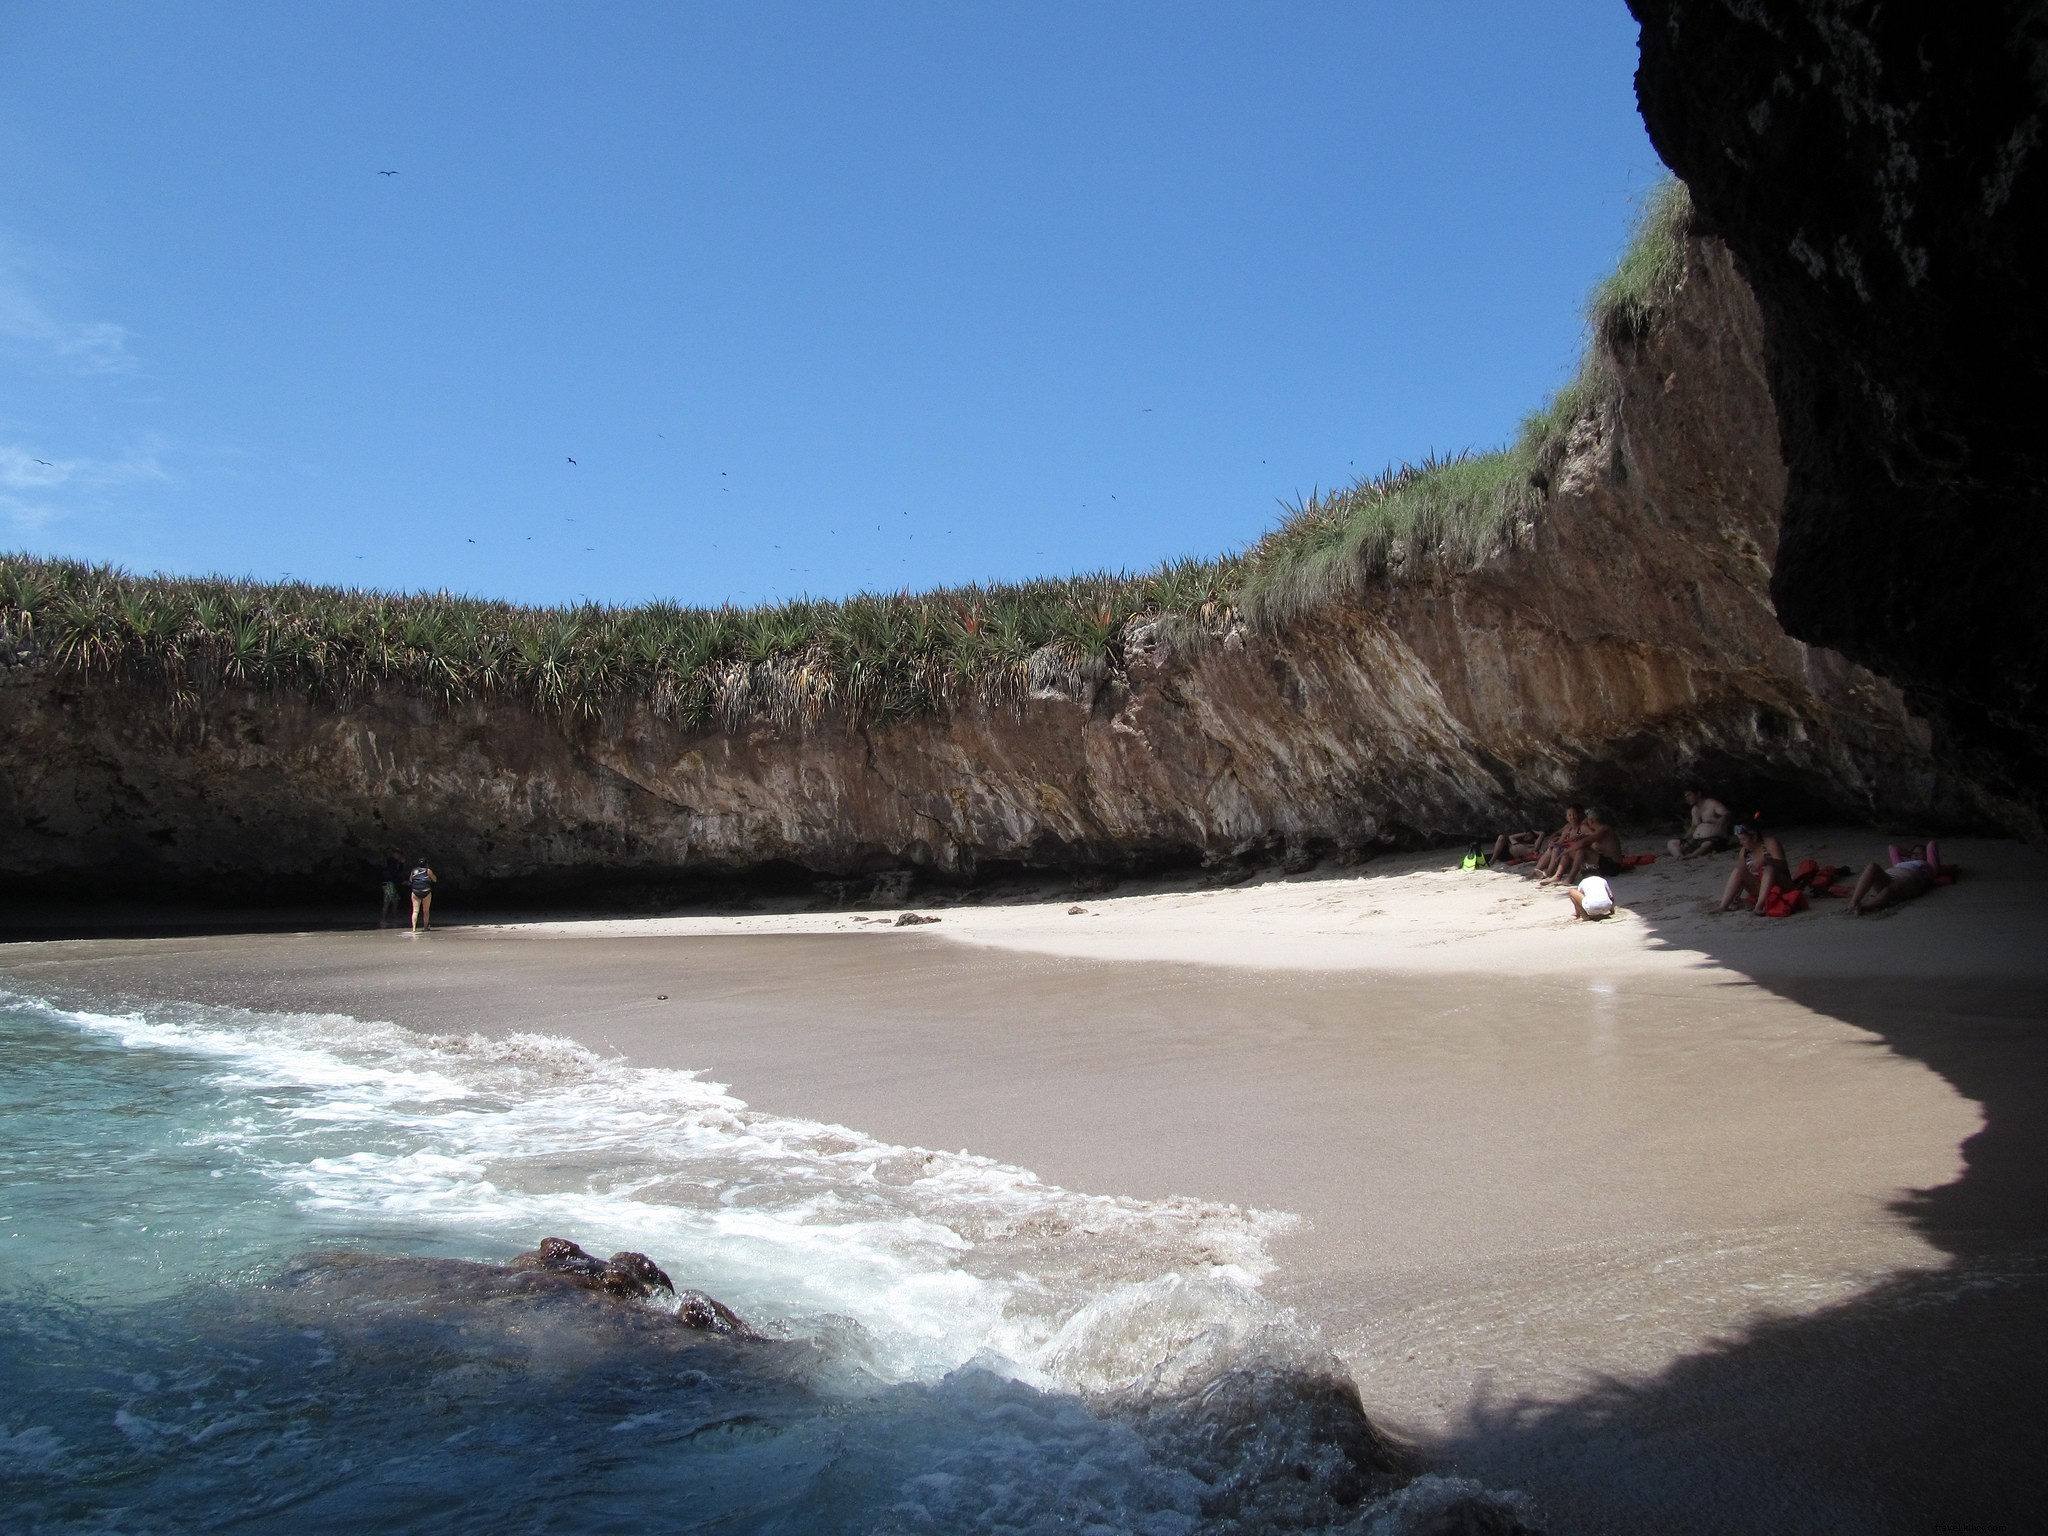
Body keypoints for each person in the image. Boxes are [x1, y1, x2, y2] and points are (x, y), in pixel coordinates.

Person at [1850, 840, 1943, 915]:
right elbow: (1893, 849)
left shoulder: (1930, 866)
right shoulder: (1900, 863)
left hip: (1910, 882)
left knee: (1888, 890)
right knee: (1872, 866)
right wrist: (1910, 854)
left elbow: (1932, 844)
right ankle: (1854, 902)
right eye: (1914, 853)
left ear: (1927, 855)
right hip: (1889, 878)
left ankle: (1863, 908)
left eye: (1920, 853)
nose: (1916, 855)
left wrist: (1922, 855)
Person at [1715, 821, 1789, 914]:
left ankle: (1759, 906)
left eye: (1744, 839)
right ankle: (1723, 906)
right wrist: (1737, 894)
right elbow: (1743, 873)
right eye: (1740, 840)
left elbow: (1783, 865)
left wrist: (1764, 861)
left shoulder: (1770, 843)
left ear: (1754, 837)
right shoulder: (1744, 852)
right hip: (1759, 887)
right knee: (1738, 871)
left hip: (1780, 884)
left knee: (1769, 869)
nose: (1741, 843)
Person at [1545, 807, 1625, 885]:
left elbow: (1583, 843)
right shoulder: (1600, 829)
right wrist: (1578, 838)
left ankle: (1570, 877)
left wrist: (1563, 853)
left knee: (1581, 850)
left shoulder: (1604, 830)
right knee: (1572, 850)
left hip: (1613, 867)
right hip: (1606, 863)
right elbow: (1586, 837)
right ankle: (1557, 876)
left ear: (1591, 821)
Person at [1669, 788, 1732, 858]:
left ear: (1698, 794)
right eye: (1686, 797)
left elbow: (1727, 813)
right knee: (1672, 843)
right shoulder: (1694, 809)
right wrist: (1685, 839)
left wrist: (1721, 819)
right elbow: (1693, 827)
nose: (1687, 798)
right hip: (1697, 840)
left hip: (1714, 840)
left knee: (1707, 844)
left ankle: (1691, 856)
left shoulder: (1712, 803)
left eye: (1689, 795)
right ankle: (1679, 856)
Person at [1532, 807, 1587, 881]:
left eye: (1574, 814)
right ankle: (1536, 870)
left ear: (1579, 815)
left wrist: (1579, 836)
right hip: (1567, 849)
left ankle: (1549, 872)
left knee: (1556, 849)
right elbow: (1560, 837)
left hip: (1574, 852)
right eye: (1570, 815)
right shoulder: (1568, 828)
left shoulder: (1582, 827)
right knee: (1552, 848)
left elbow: (1591, 836)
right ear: (1566, 817)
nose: (1572, 817)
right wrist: (1553, 840)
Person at [409, 857, 438, 931]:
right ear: (426, 864)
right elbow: (434, 879)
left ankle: (414, 928)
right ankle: (425, 927)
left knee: (415, 910)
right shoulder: (427, 870)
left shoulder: (414, 870)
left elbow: (410, 880)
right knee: (426, 910)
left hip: (415, 891)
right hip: (426, 891)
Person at [379, 851, 405, 927]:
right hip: (389, 883)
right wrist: (402, 864)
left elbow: (397, 872)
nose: (398, 856)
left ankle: (393, 919)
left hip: (390, 883)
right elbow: (395, 873)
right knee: (387, 901)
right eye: (397, 855)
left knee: (395, 901)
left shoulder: (393, 862)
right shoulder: (392, 862)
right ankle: (383, 920)